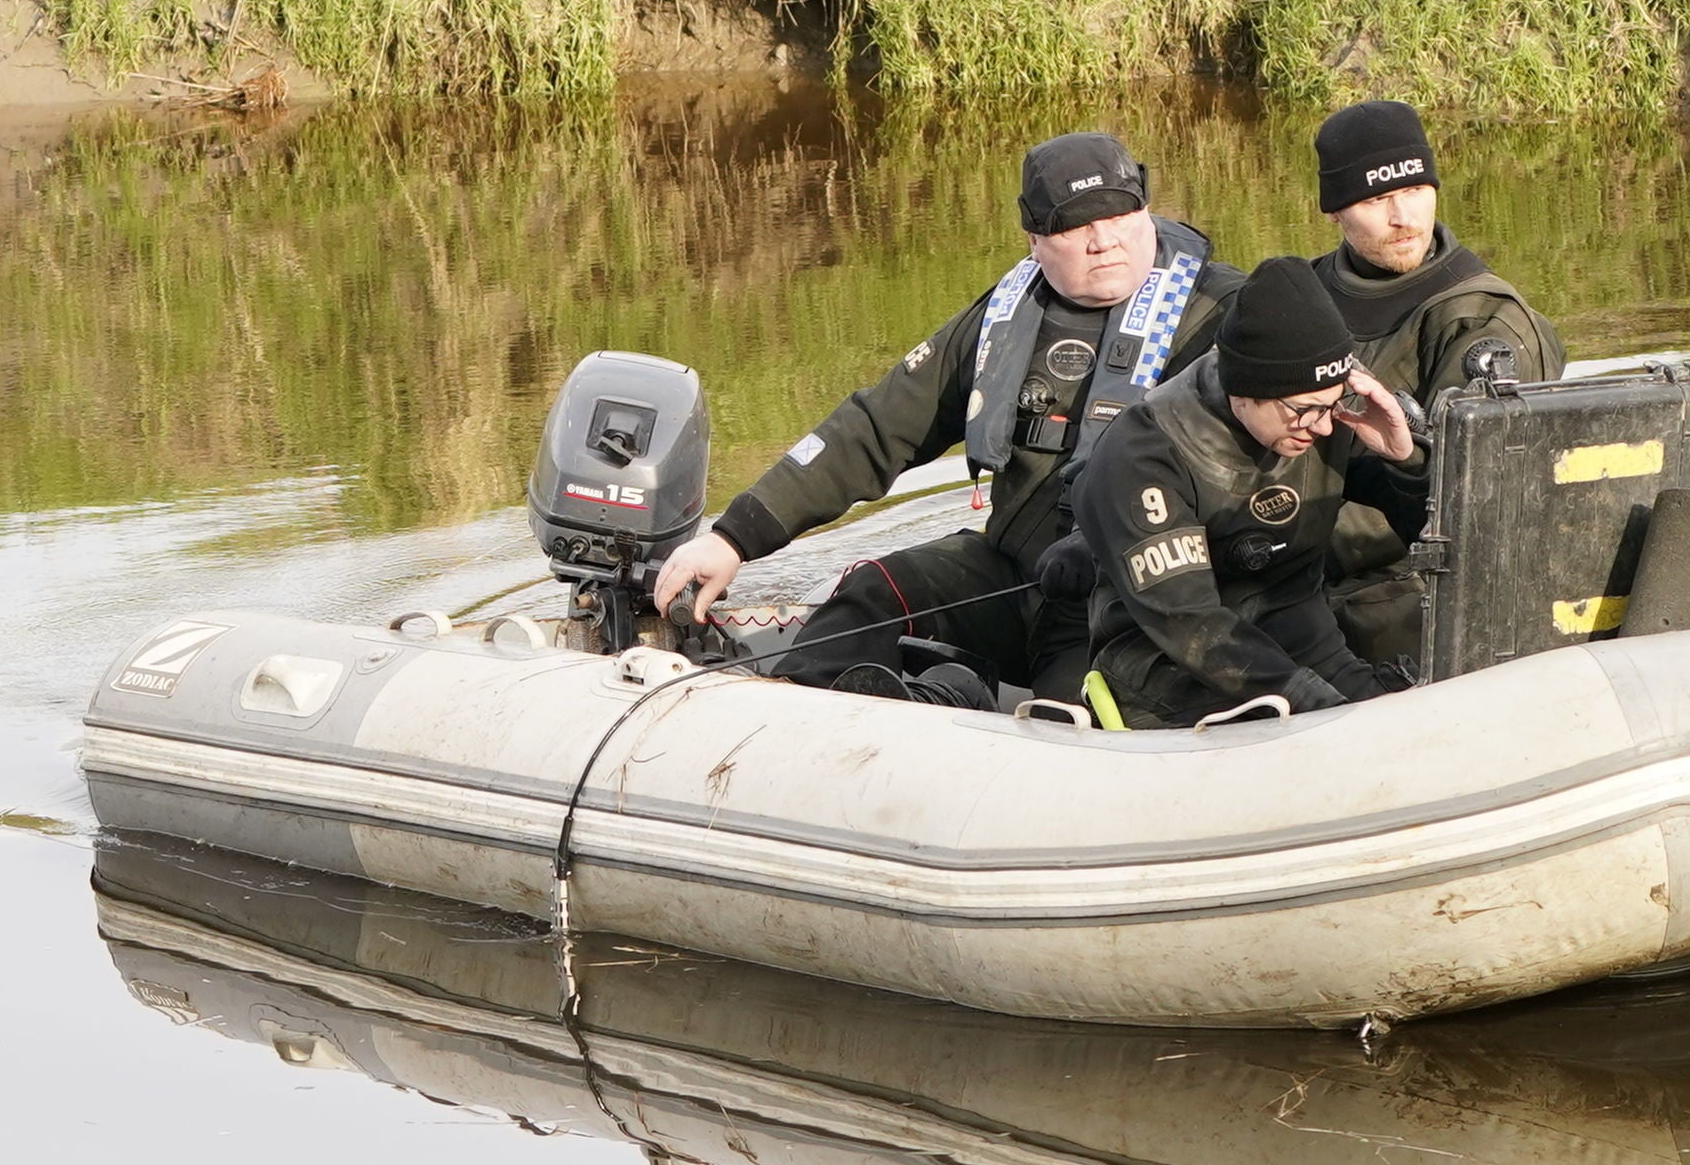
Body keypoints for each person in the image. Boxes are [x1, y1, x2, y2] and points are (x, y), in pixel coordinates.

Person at [649, 132, 1243, 700]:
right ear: (1034, 239)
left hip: (1130, 596)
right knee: (868, 594)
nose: (1104, 240)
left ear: (1145, 210)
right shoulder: (1007, 317)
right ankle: (815, 728)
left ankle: (953, 705)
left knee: (1073, 711)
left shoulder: (1229, 316)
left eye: (1119, 216)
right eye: (1078, 225)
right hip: (1014, 575)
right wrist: (734, 537)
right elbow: (877, 427)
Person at [1061, 256, 1429, 727]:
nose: (1319, 427)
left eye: (1335, 404)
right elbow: (1189, 622)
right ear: (1244, 390)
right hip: (1167, 675)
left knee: (1405, 727)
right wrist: (1313, 703)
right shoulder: (1145, 453)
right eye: (1304, 410)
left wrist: (1406, 459)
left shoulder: (1325, 416)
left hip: (1305, 642)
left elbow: (1441, 538)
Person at [1304, 99, 1566, 653]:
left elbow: (1487, 516)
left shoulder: (1483, 320)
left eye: (1416, 191)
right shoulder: (1298, 297)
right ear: (1334, 211)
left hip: (1408, 591)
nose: (1404, 218)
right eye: (1377, 199)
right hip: (1289, 566)